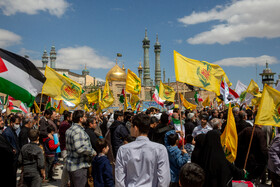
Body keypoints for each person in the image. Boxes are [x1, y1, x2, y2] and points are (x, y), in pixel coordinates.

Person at [115, 113, 170, 186]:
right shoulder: (160, 149)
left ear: (135, 128)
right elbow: (164, 179)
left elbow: (119, 180)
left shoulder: (123, 150)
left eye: (131, 126)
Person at [66, 110, 96, 187]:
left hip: (72, 165)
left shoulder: (70, 129)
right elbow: (80, 148)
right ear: (80, 119)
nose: (86, 118)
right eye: (84, 116)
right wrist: (92, 152)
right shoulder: (78, 131)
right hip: (78, 166)